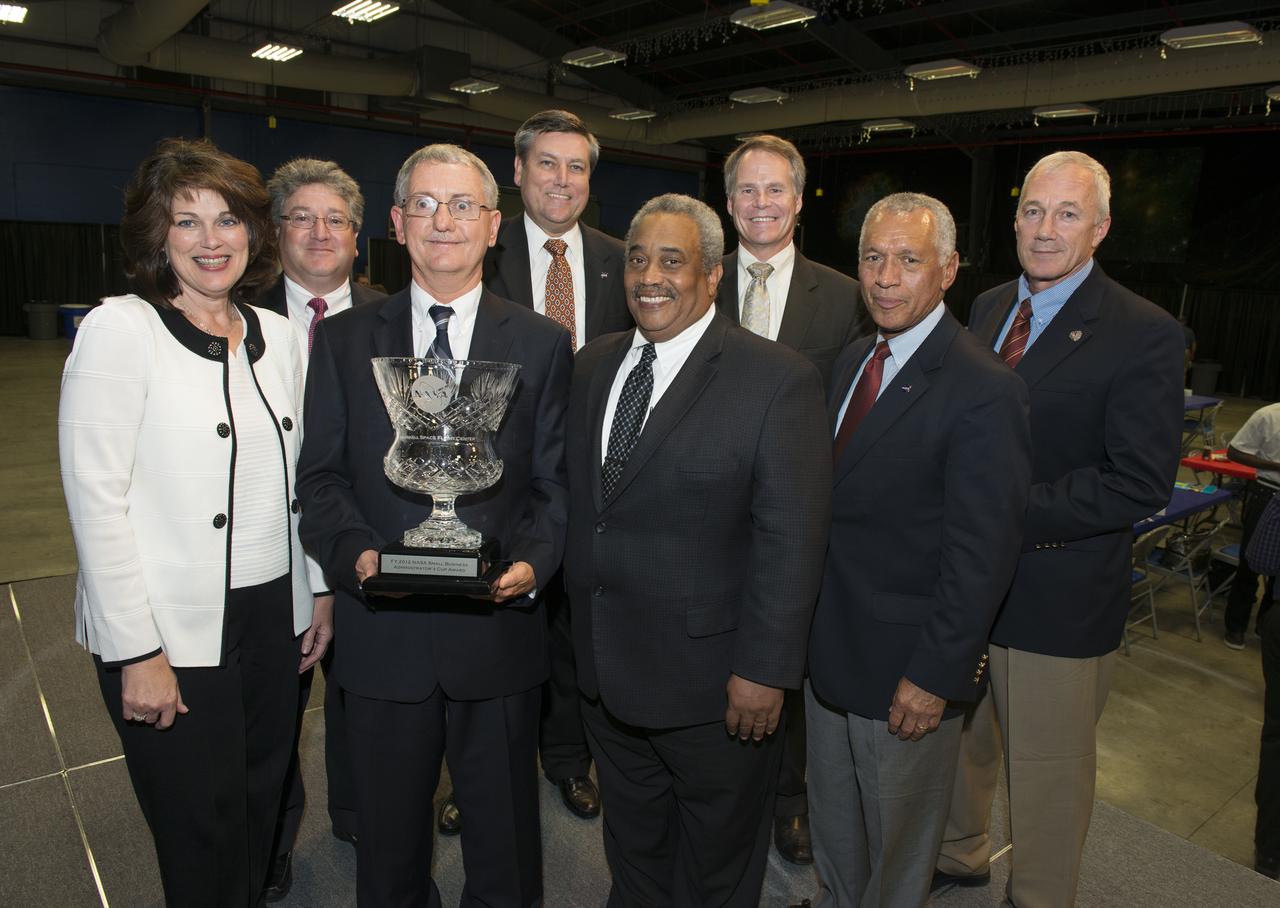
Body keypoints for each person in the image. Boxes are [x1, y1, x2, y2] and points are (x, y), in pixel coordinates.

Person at [296, 143, 571, 907]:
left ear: (492, 226)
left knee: (507, 845)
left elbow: (556, 484)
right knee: (385, 846)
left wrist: (534, 565)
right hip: (383, 633)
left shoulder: (543, 344)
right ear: (395, 222)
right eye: (423, 204)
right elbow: (318, 477)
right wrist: (355, 559)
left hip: (498, 634)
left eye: (460, 206)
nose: (440, 220)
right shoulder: (346, 341)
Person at [58, 137, 329, 907]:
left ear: (255, 234)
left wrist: (317, 593)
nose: (212, 240)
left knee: (259, 800)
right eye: (188, 222)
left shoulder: (280, 337)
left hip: (270, 617)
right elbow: (94, 498)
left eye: (230, 220)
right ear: (157, 236)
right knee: (197, 826)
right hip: (169, 632)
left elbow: (302, 481)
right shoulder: (121, 332)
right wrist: (136, 649)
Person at [563, 193, 831, 906]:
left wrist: (764, 671)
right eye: (638, 259)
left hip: (717, 691)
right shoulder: (592, 365)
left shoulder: (778, 380)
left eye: (673, 261)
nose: (650, 276)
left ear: (713, 274)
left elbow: (792, 539)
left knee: (716, 866)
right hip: (607, 673)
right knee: (634, 845)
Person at [935, 151, 1185, 907]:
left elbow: (1137, 482)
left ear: (1101, 228)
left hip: (1056, 593)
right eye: (1033, 211)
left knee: (1046, 771)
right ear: (1013, 221)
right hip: (968, 585)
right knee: (963, 743)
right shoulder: (983, 309)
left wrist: (1000, 511)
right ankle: (959, 854)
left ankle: (1038, 896)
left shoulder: (1144, 333)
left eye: (1067, 214)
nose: (1046, 230)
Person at [803, 192, 1030, 907]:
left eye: (908, 259)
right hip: (828, 656)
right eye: (873, 257)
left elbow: (983, 552)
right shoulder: (848, 363)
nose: (886, 276)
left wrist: (936, 674)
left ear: (948, 270)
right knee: (837, 834)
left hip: (905, 672)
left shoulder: (983, 387)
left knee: (897, 855)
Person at [435, 109, 630, 834]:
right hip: (498, 484)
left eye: (576, 166)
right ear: (516, 174)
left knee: (579, 630)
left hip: (598, 479)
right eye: (546, 163)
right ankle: (471, 775)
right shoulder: (476, 247)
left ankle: (568, 758)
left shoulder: (620, 257)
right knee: (483, 634)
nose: (561, 179)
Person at [715, 132, 865, 864]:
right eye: (748, 188)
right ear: (729, 200)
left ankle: (790, 801)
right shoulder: (696, 280)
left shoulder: (843, 297)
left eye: (776, 189)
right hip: (705, 518)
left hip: (795, 515)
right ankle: (723, 794)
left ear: (800, 202)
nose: (762, 202)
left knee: (788, 661)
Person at [257, 157, 386, 901]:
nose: (319, 232)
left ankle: (362, 813)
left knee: (364, 700)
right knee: (277, 712)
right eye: (301, 217)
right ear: (276, 233)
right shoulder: (234, 313)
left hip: (363, 546)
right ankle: (273, 840)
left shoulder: (393, 315)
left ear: (359, 237)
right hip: (270, 554)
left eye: (335, 218)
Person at [1222, 402, 1280, 649]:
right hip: (1266, 493)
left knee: (1278, 574)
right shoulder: (1268, 416)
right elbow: (1234, 452)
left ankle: (1265, 624)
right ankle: (1235, 626)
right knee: (1250, 563)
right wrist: (1275, 465)